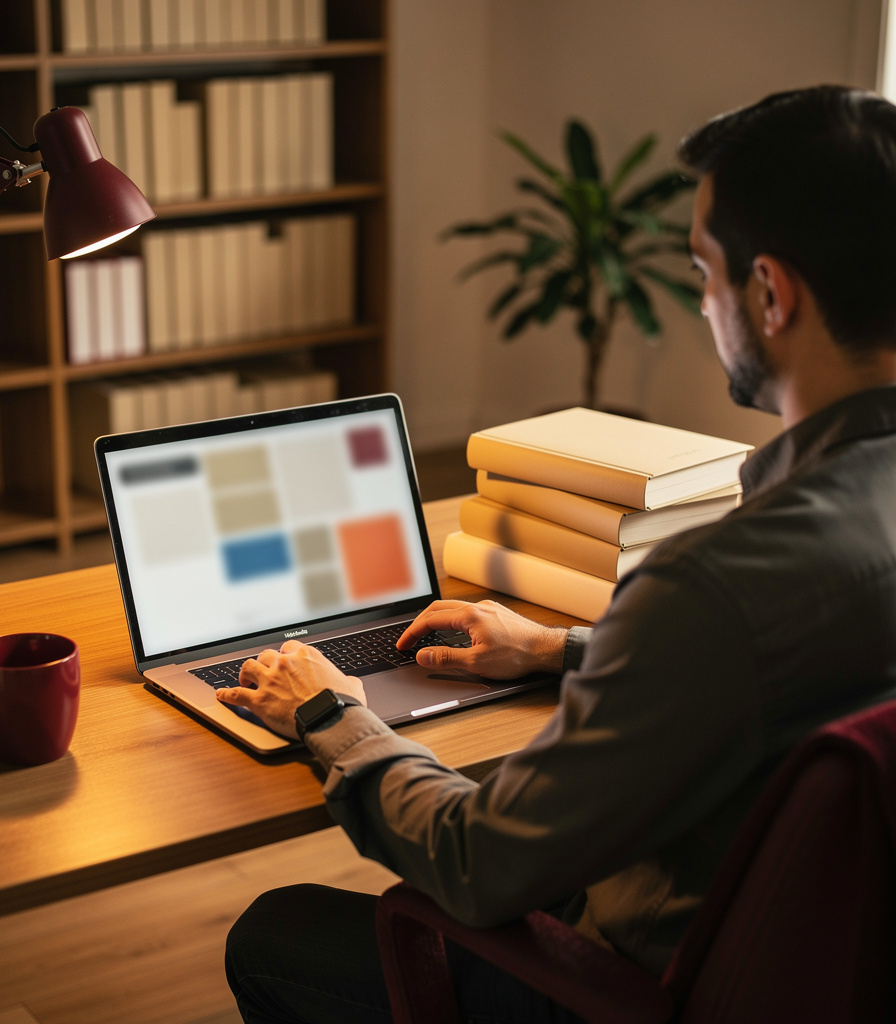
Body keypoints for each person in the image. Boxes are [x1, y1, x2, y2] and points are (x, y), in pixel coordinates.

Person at [217, 85, 896, 1023]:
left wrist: (332, 712)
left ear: (771, 294)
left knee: (274, 931)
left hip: (639, 981)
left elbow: (480, 864)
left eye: (705, 272)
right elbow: (794, 665)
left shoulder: (710, 585)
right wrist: (557, 649)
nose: (705, 304)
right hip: (836, 975)